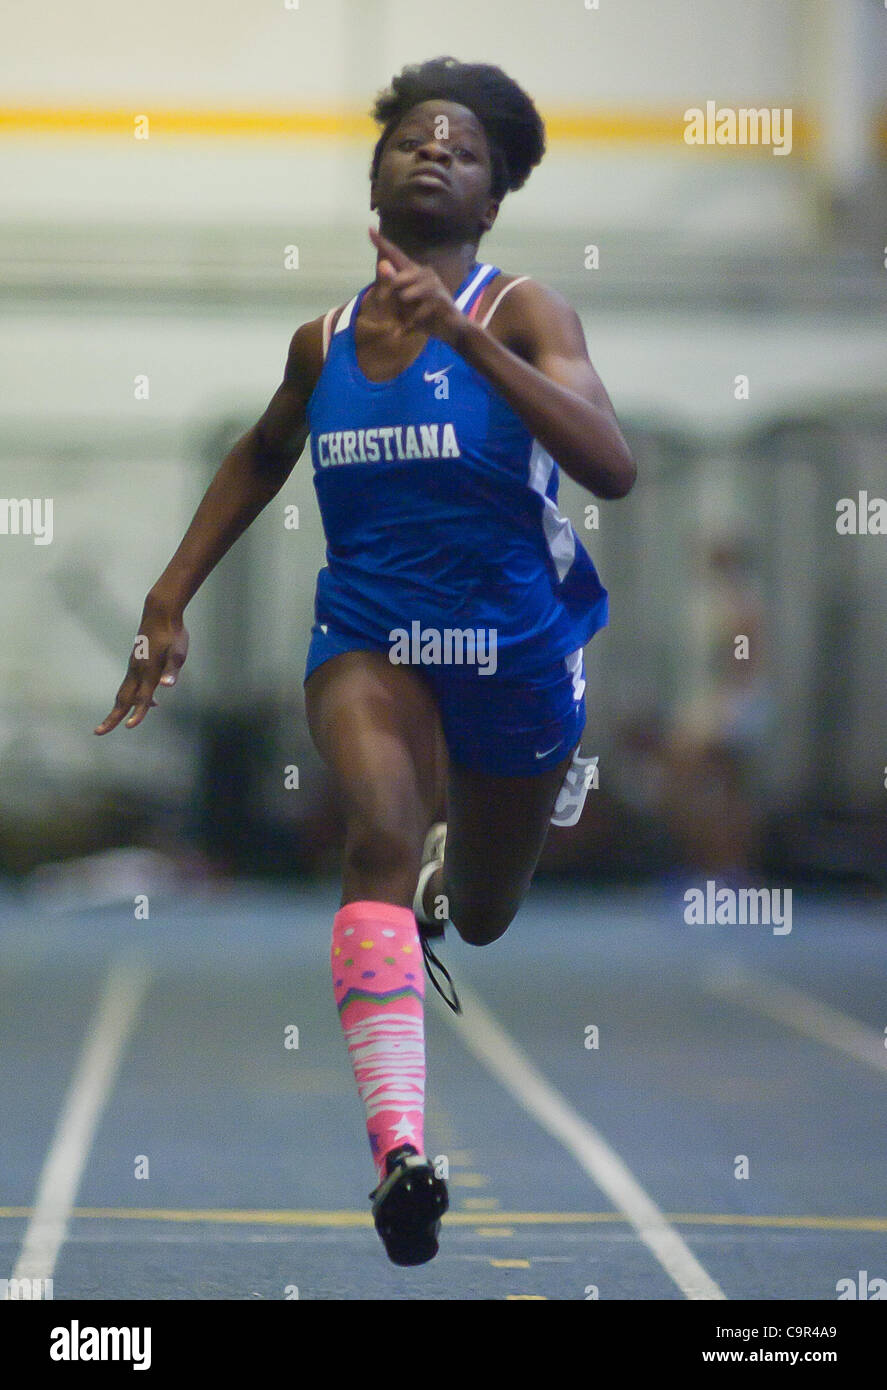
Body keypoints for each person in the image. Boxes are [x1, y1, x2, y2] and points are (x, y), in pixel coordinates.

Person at [95, 56, 636, 1267]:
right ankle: (400, 1154)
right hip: (369, 633)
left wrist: (464, 338)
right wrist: (167, 596)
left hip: (517, 650)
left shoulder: (526, 313)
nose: (433, 150)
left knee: (481, 917)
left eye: (462, 147)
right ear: (375, 181)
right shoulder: (322, 337)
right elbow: (256, 454)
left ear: (491, 201)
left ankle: (454, 884)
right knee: (376, 837)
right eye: (411, 139)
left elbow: (609, 463)